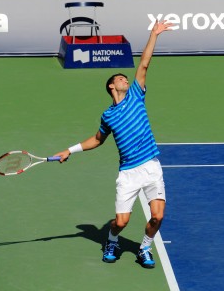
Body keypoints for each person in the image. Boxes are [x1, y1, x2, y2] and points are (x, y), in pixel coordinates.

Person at [52, 19, 174, 269]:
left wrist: (154, 35)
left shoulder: (136, 95)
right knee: (121, 222)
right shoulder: (108, 115)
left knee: (158, 216)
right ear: (111, 86)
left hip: (151, 166)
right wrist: (69, 150)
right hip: (128, 173)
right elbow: (97, 139)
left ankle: (145, 248)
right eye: (120, 78)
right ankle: (111, 241)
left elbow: (145, 63)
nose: (125, 79)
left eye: (126, 78)